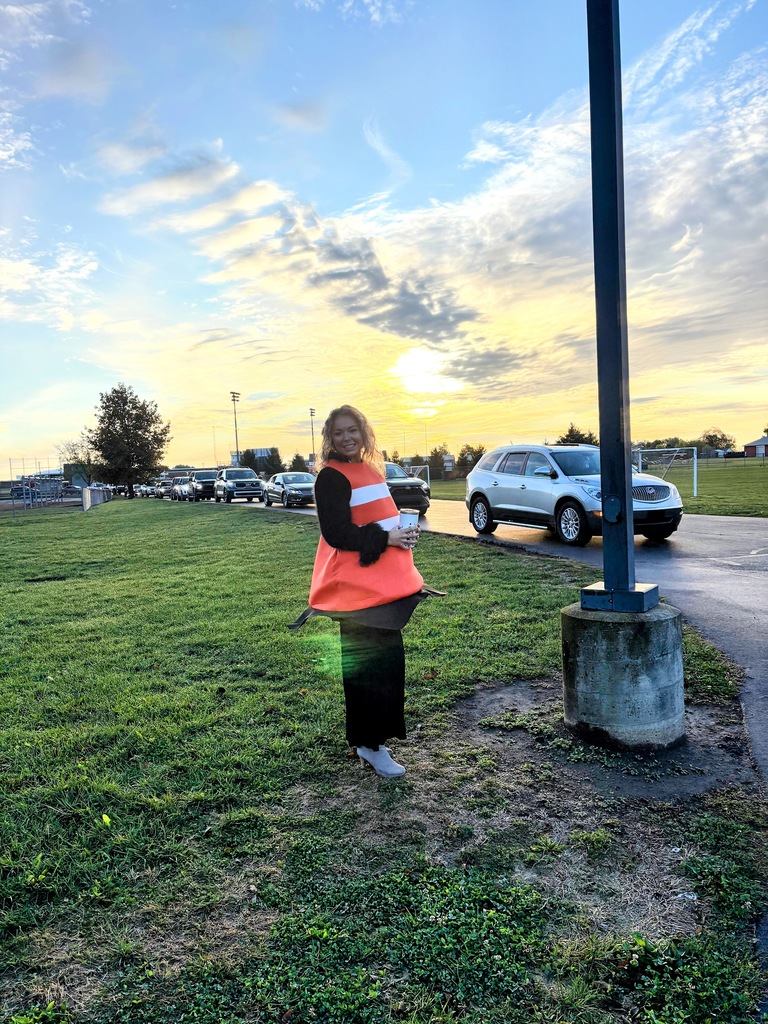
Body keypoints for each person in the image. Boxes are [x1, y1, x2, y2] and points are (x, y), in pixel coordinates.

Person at [290, 405, 442, 779]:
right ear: (329, 437)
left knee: (387, 665)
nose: (347, 438)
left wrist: (402, 534)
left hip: (383, 588)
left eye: (352, 430)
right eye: (339, 432)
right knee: (367, 670)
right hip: (356, 593)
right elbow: (336, 533)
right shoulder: (330, 477)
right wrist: (385, 536)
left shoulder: (370, 469)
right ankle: (370, 744)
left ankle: (372, 741)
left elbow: (380, 518)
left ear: (363, 432)